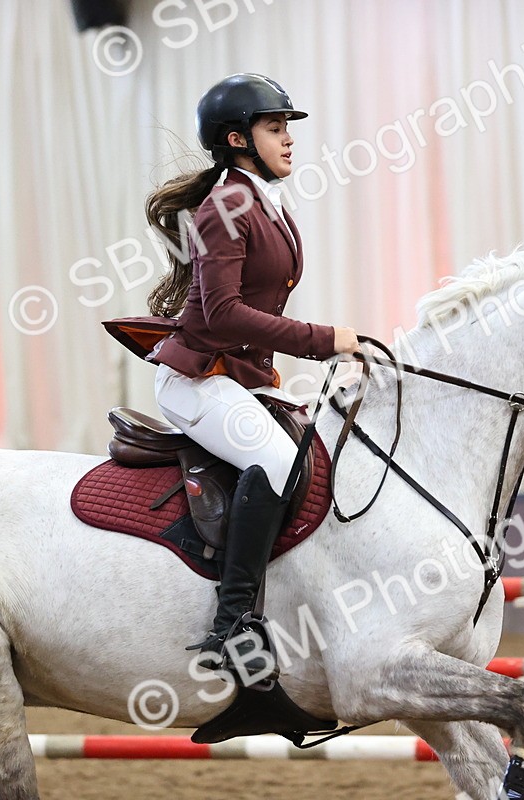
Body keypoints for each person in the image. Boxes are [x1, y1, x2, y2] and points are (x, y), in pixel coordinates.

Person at [142, 73, 360, 667]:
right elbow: (224, 313)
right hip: (195, 381)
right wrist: (324, 340)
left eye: (288, 127)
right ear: (238, 139)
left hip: (237, 377)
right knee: (277, 461)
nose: (289, 139)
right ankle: (232, 622)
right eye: (275, 127)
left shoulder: (265, 203)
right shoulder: (226, 207)